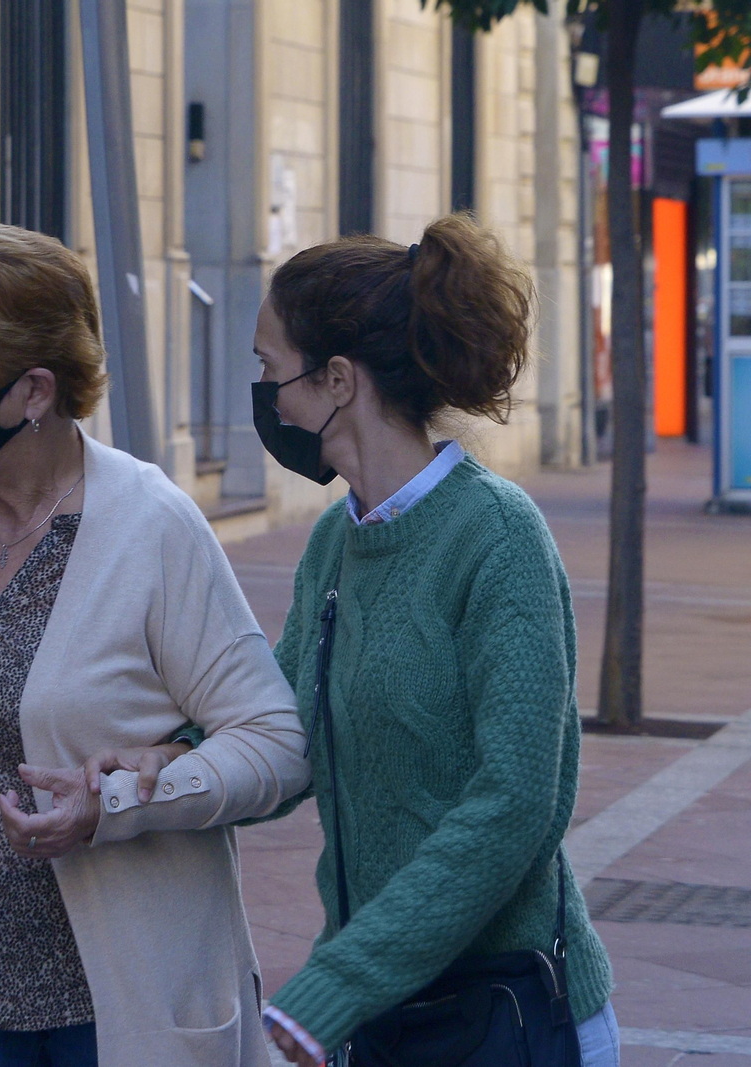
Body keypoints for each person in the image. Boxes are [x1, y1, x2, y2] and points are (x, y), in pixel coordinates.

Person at [0, 222, 312, 1067]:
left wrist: (124, 802)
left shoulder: (152, 526)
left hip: (121, 1008)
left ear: (34, 390)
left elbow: (275, 742)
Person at [246, 214, 619, 1067]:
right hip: (379, 1019)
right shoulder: (334, 542)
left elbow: (516, 800)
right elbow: (282, 726)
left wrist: (331, 988)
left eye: (270, 370)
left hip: (506, 1015)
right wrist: (163, 759)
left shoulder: (497, 536)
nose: (266, 398)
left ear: (337, 379)